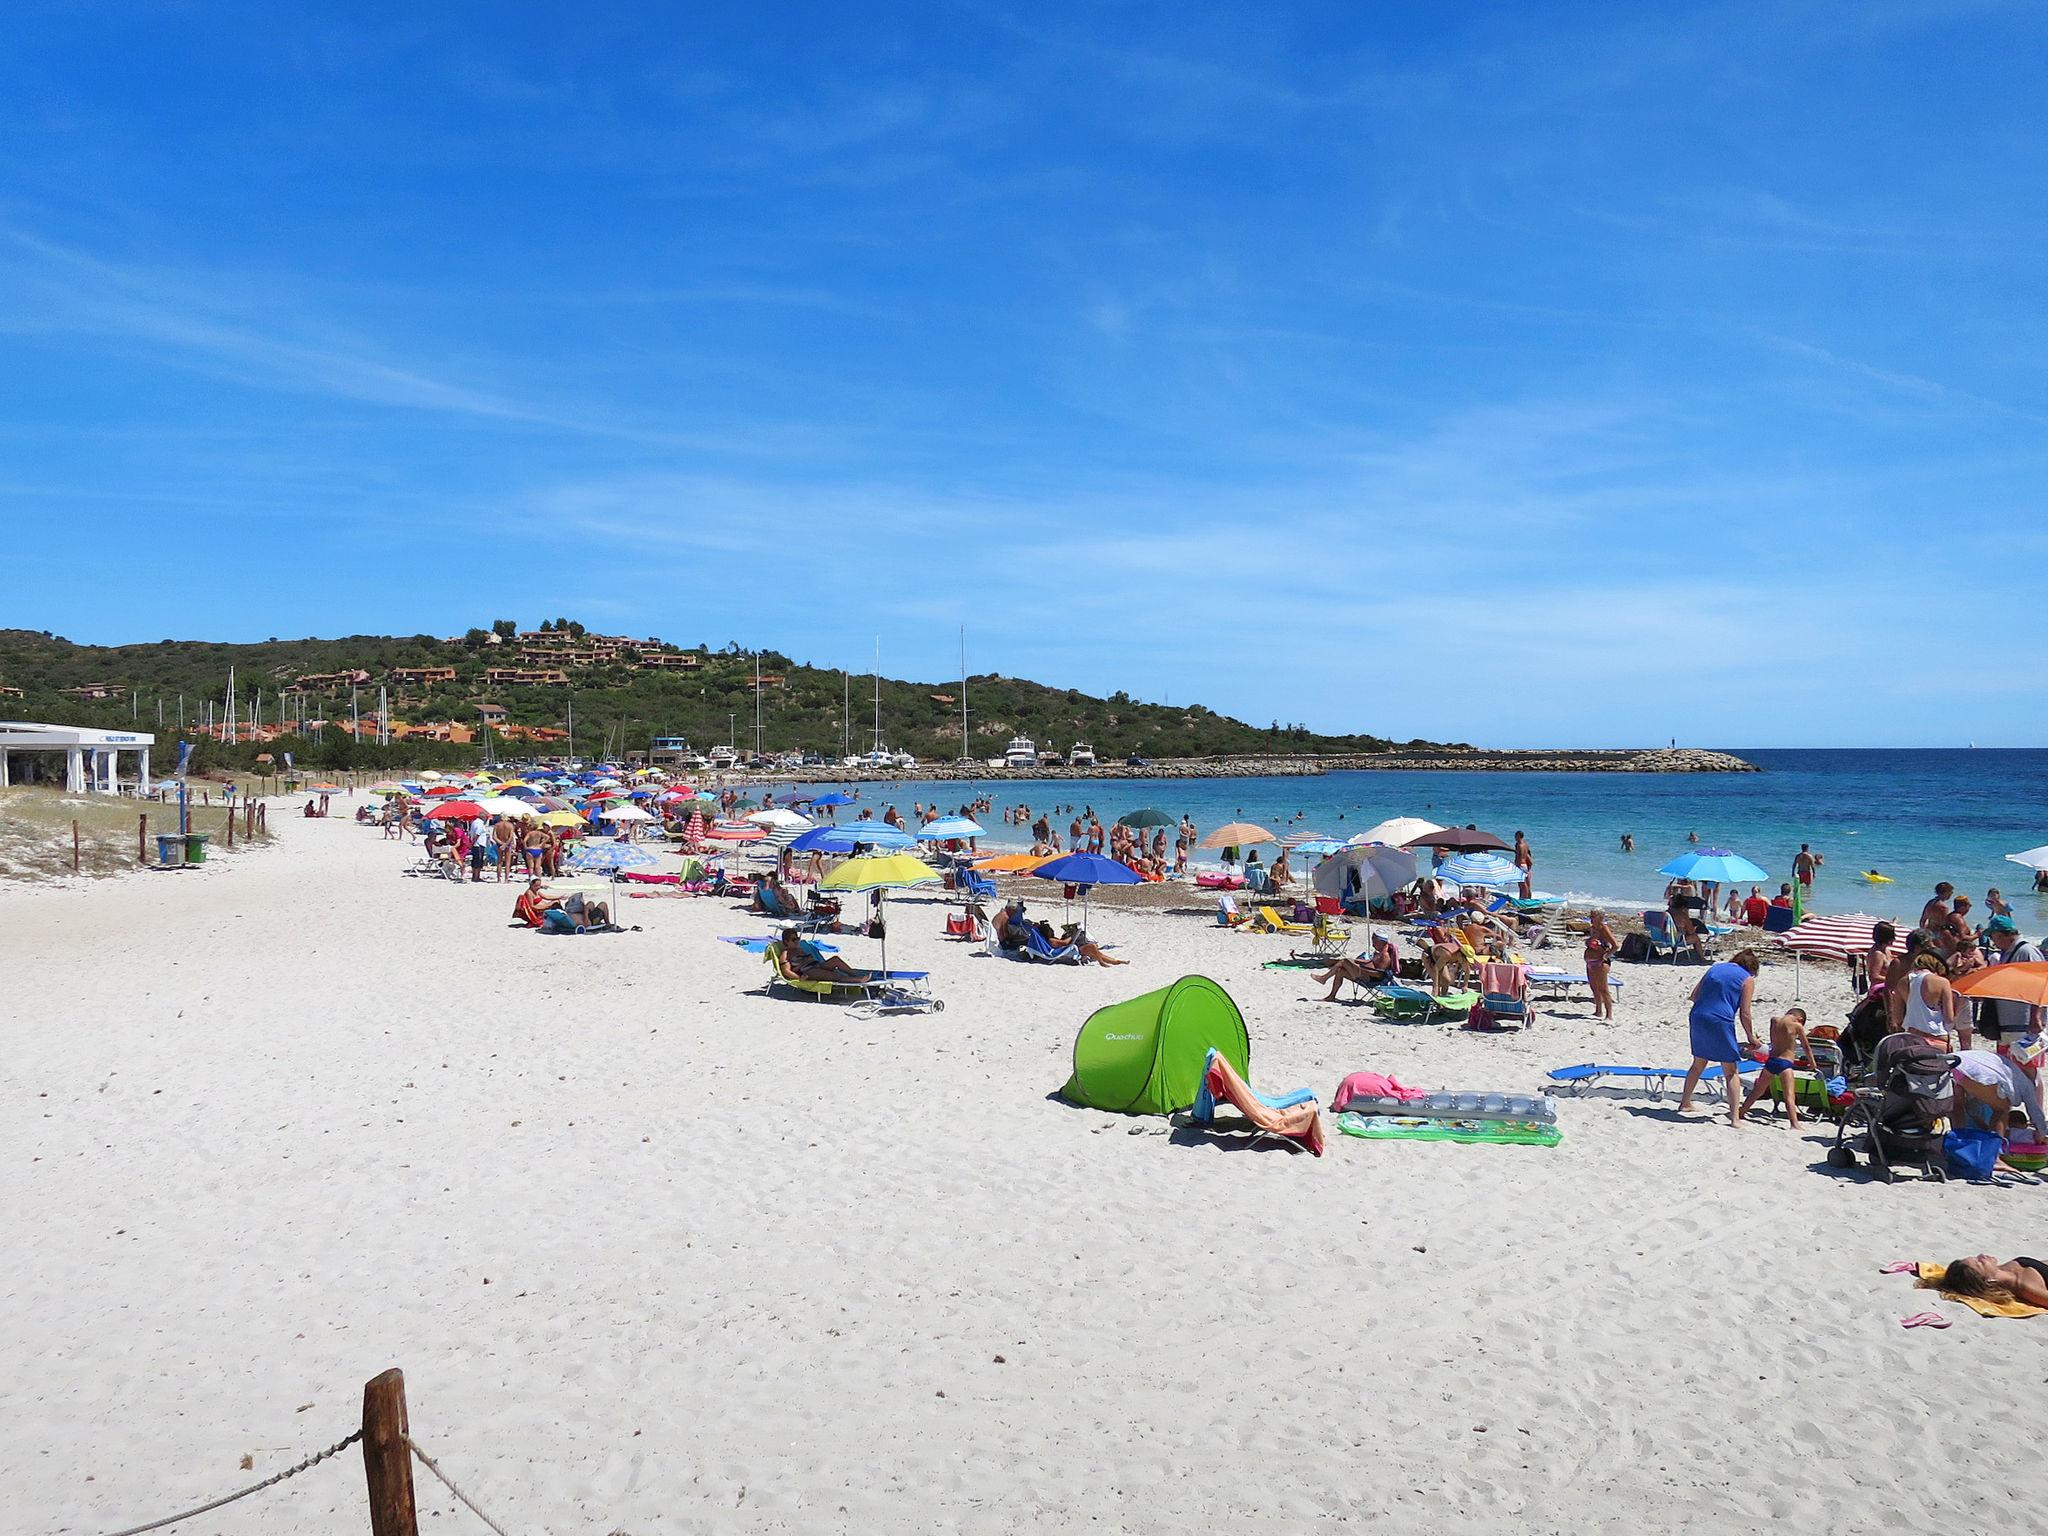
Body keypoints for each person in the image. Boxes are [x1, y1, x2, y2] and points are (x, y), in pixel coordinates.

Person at [1678, 950, 1762, 1125]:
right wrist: (1751, 1037)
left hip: (1698, 1015)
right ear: (1752, 968)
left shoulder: (1715, 968)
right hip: (1720, 1020)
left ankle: (1685, 1102)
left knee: (1698, 1063)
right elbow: (1745, 1013)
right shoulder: (1747, 979)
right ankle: (1735, 1117)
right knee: (1730, 1070)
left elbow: (1694, 996)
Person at [1739, 1008, 1821, 1126]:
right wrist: (1812, 1064)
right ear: (1800, 1019)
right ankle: (1794, 1124)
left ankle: (1742, 1112)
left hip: (1771, 1061)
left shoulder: (1774, 1020)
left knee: (1758, 1090)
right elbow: (1806, 1047)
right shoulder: (1797, 1026)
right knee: (1789, 1095)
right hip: (1785, 1063)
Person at [1978, 916, 2042, 1040]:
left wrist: (2036, 1016)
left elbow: (2039, 985)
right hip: (2007, 1021)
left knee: (2022, 1058)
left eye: (1992, 937)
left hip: (2024, 1021)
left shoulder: (2026, 951)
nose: (1992, 942)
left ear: (2001, 935)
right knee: (2006, 1058)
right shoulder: (2006, 953)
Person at [1897, 952, 1965, 1049]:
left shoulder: (1902, 982)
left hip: (1913, 1036)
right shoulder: (1942, 982)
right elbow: (1949, 1018)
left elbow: (1897, 1018)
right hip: (1937, 1035)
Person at [1927, 1256, 2048, 1309]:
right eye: (1979, 1262)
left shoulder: (2003, 1268)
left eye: (1976, 1258)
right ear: (1989, 1281)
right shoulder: (2025, 1287)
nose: (1982, 1256)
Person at [1312, 933, 1401, 1003]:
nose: (1373, 945)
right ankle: (1331, 996)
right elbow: (1370, 962)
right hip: (1364, 973)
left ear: (1380, 941)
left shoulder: (1385, 956)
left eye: (1374, 942)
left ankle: (1324, 978)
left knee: (1344, 961)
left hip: (1369, 978)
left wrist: (1361, 969)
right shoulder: (1380, 951)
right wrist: (1355, 961)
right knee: (1340, 970)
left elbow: (1379, 974)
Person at [778, 926, 876, 983]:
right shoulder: (785, 954)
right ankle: (859, 980)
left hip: (816, 966)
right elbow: (786, 971)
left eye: (797, 938)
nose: (797, 941)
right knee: (834, 975)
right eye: (794, 939)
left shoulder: (798, 949)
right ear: (786, 941)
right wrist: (799, 978)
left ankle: (854, 974)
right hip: (808, 972)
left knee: (835, 959)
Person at [1584, 909, 1619, 1022]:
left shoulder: (1604, 929)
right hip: (1590, 961)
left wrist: (1606, 956)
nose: (1591, 918)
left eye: (1593, 916)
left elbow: (1616, 945)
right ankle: (1598, 1010)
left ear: (1600, 917)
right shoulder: (1592, 928)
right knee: (1594, 987)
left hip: (1600, 962)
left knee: (1603, 989)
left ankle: (1609, 1015)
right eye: (1591, 915)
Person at [1512, 830, 1534, 900]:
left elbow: (1519, 857)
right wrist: (1529, 867)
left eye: (1515, 836)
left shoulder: (1519, 846)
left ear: (1518, 836)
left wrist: (1516, 867)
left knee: (1522, 886)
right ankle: (1528, 899)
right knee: (1527, 885)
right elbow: (1528, 857)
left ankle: (1522, 900)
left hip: (1520, 865)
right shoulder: (1526, 845)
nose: (1515, 838)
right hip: (1525, 866)